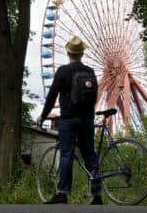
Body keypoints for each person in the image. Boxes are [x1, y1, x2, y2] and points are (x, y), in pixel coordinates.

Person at [36, 36, 102, 205]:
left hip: (68, 120)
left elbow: (51, 97)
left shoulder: (62, 71)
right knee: (89, 155)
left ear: (68, 52)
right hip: (87, 120)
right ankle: (97, 195)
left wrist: (43, 116)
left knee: (66, 154)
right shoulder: (90, 72)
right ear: (82, 53)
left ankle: (62, 194)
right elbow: (94, 97)